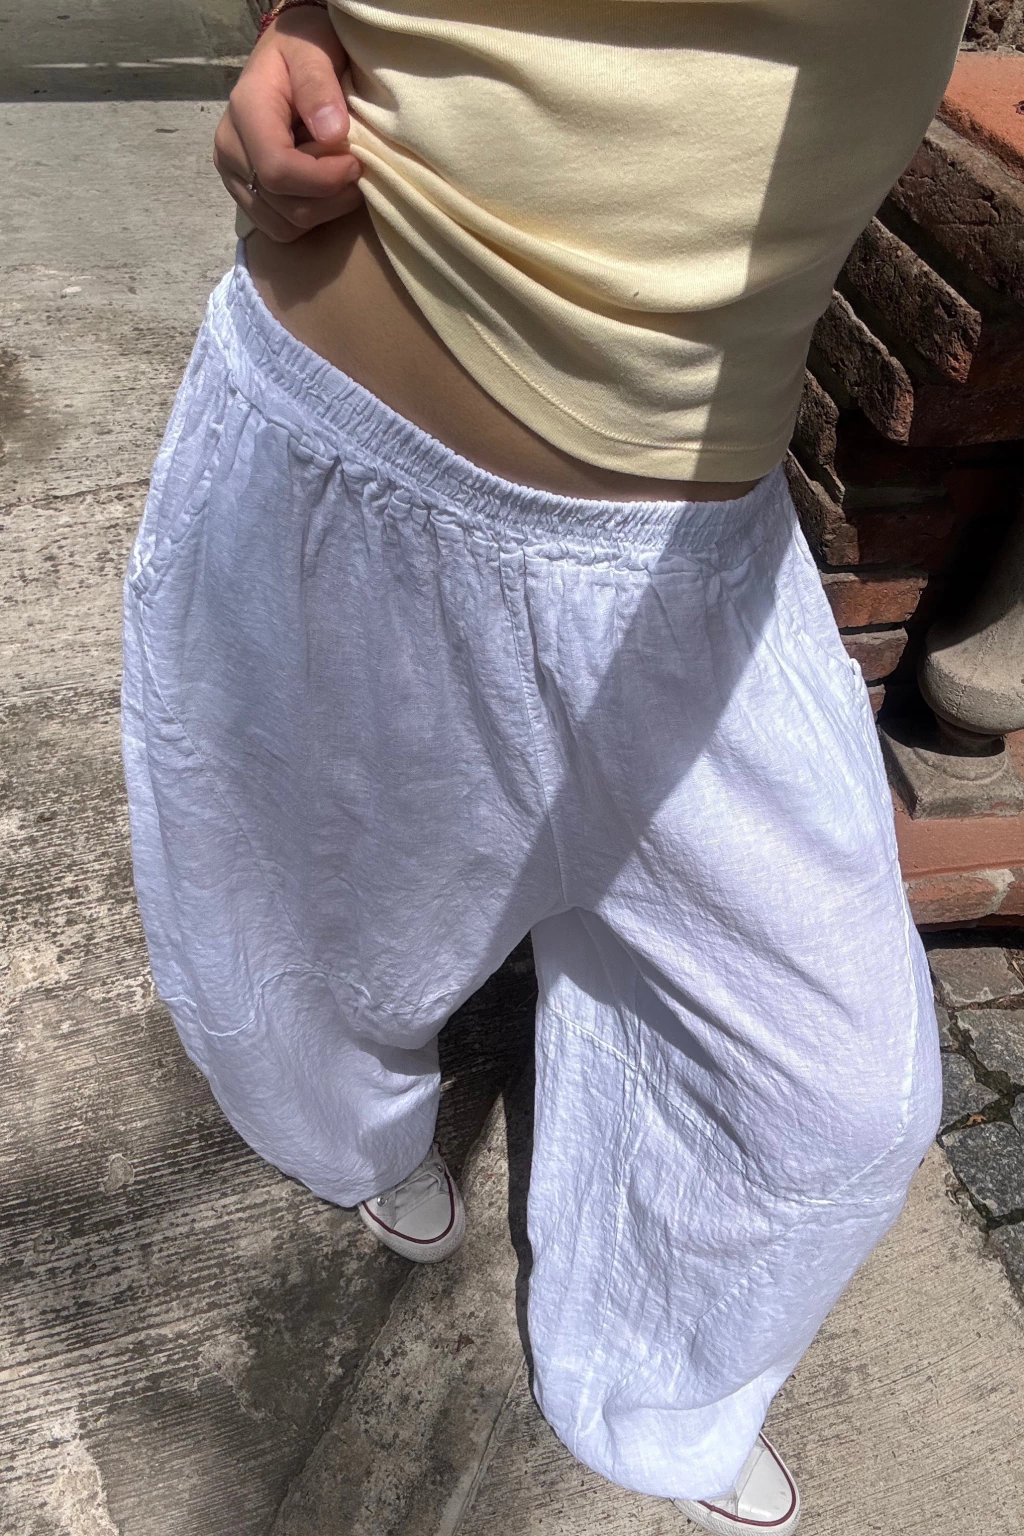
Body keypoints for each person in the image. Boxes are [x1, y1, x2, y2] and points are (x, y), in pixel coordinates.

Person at [121, 2, 971, 1529]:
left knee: (836, 1097)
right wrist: (289, 19)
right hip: (354, 458)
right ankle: (351, 1134)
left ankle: (660, 1378)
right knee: (335, 945)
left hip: (698, 561)